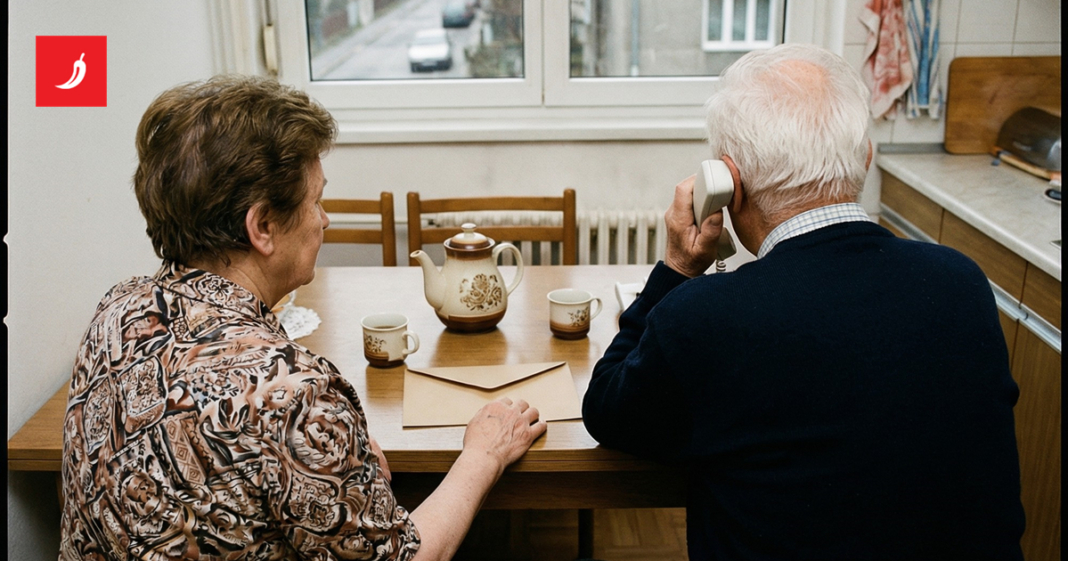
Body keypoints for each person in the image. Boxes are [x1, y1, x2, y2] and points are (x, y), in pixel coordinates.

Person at [59, 75, 546, 561]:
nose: (324, 219)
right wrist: (485, 455)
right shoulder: (292, 396)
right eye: (316, 200)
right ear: (263, 227)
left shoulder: (115, 310)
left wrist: (330, 460)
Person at [582, 44, 1025, 560]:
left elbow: (607, 412)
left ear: (727, 183)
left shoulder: (704, 318)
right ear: (865, 157)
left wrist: (677, 270)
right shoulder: (962, 283)